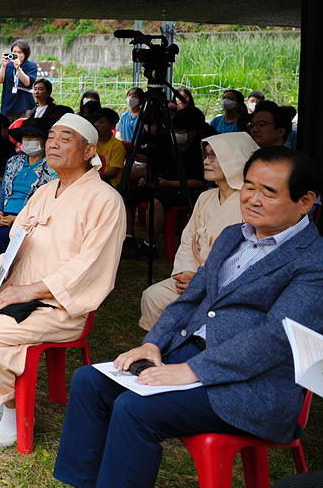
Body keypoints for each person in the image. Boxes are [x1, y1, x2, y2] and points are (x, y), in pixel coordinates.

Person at [53, 147, 323, 488]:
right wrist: (152, 344)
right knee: (89, 381)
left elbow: (275, 339)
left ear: (305, 201)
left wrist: (193, 370)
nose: (252, 199)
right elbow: (190, 299)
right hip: (188, 354)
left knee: (134, 407)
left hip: (253, 386)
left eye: (268, 192)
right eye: (249, 186)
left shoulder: (321, 266)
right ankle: (84, 485)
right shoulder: (234, 235)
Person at [0, 114, 126, 450]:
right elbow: (17, 240)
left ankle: (11, 411)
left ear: (89, 150)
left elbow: (89, 267)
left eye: (65, 139)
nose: (53, 144)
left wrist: (26, 290)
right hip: (12, 290)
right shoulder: (45, 191)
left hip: (58, 306)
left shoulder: (105, 200)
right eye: (52, 137)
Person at [139, 131, 259, 330]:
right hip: (194, 275)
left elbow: (246, 259)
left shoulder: (251, 205)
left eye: (214, 156)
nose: (206, 161)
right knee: (153, 296)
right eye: (206, 154)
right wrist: (186, 272)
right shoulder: (206, 197)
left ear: (235, 160)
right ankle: (159, 344)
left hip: (225, 287)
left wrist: (203, 283)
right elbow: (188, 240)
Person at [125, 106, 210, 258]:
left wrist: (169, 184)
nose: (174, 133)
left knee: (156, 202)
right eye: (172, 130)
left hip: (184, 191)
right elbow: (159, 170)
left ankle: (148, 246)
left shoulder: (198, 152)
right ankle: (128, 238)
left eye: (179, 130)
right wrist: (147, 179)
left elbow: (198, 182)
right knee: (125, 195)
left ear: (192, 133)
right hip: (160, 185)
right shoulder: (168, 148)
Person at [0, 118, 57, 259]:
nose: (28, 139)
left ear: (45, 140)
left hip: (29, 220)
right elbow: (3, 190)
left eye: (33, 136)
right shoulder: (14, 161)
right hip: (4, 216)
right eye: (26, 136)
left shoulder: (52, 168)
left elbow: (47, 203)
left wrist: (17, 219)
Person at [0, 40, 37, 119]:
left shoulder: (31, 66)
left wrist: (18, 68)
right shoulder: (7, 65)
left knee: (24, 125)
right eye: (14, 52)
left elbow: (27, 82)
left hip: (24, 106)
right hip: (7, 105)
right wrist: (3, 66)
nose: (17, 55)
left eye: (20, 52)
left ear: (25, 54)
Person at [91, 108, 126, 189]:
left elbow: (112, 173)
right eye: (95, 121)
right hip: (93, 179)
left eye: (101, 122)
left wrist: (91, 175)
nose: (96, 124)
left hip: (108, 184)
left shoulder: (117, 146)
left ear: (111, 126)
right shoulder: (91, 142)